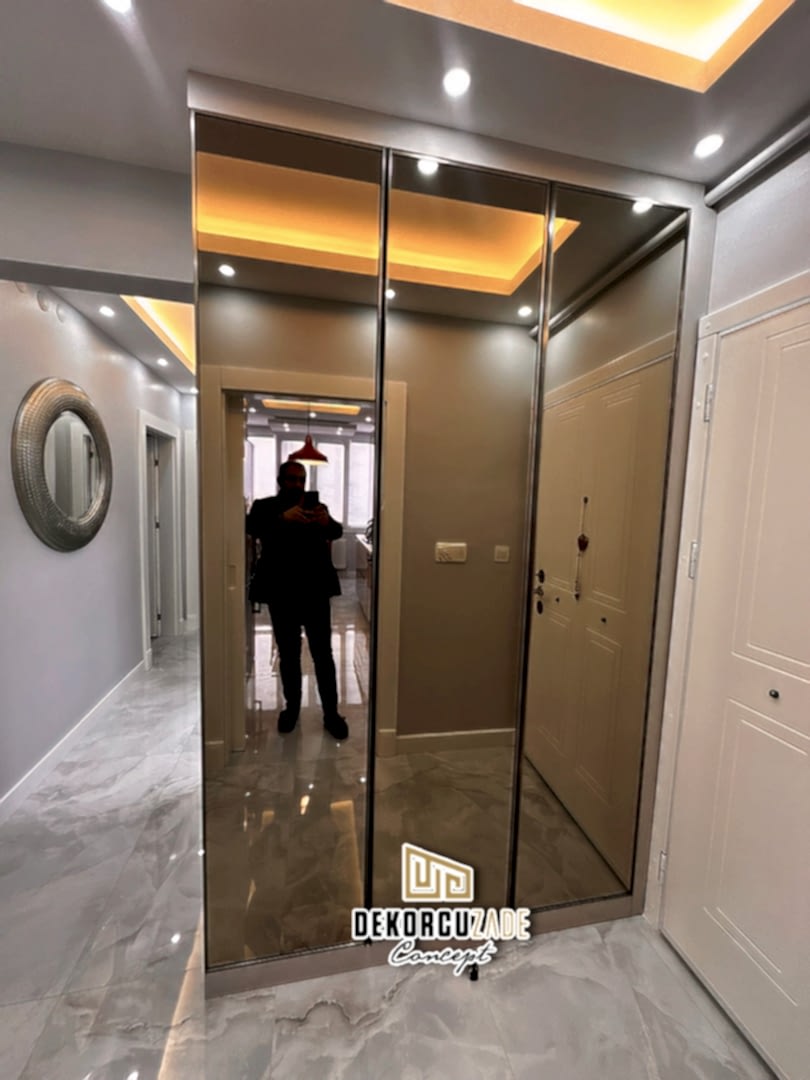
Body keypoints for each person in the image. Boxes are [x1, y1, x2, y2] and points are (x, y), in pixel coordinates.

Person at [246, 460, 348, 740]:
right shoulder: (265, 507)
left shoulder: (316, 508)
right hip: (282, 593)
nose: (297, 484)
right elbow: (251, 527)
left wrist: (326, 522)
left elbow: (336, 531)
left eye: (301, 479)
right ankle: (291, 709)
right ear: (280, 480)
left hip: (316, 591)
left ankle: (331, 714)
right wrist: (283, 518)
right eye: (292, 479)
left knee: (323, 655)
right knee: (289, 654)